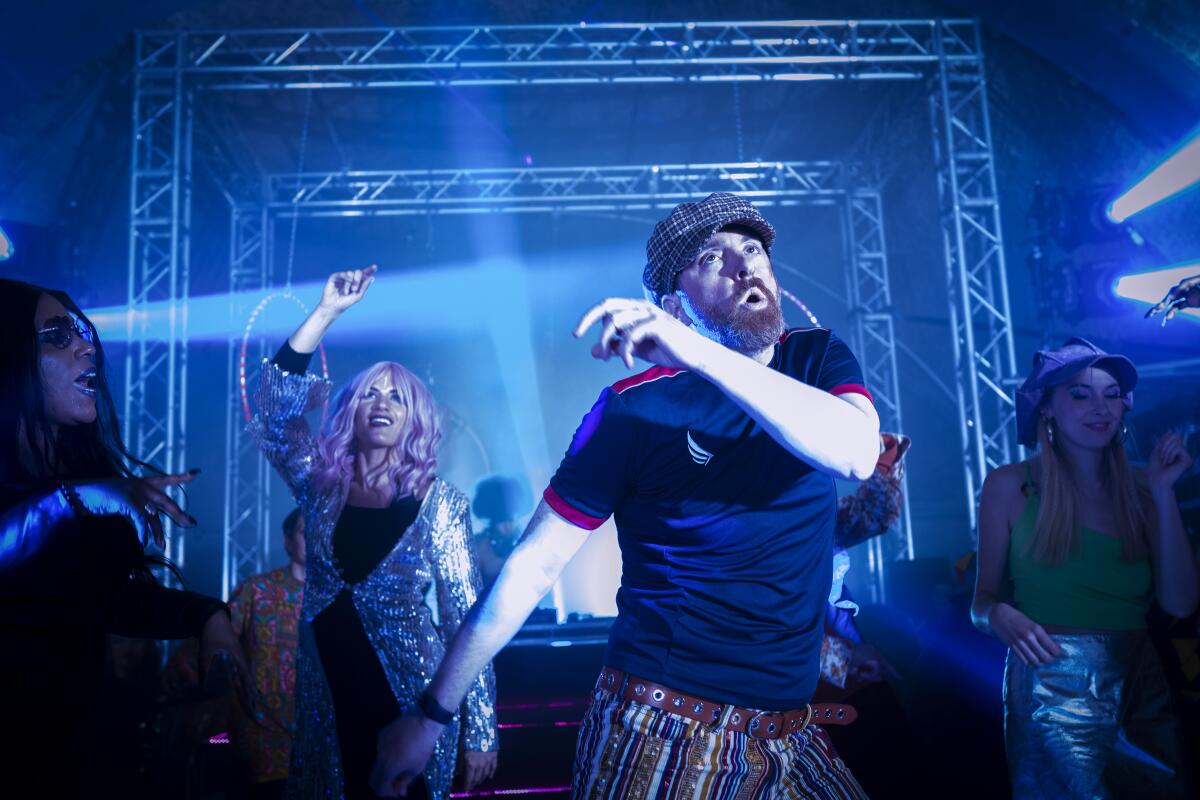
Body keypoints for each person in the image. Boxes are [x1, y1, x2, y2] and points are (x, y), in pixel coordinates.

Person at [371, 192, 880, 798]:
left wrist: (702, 353)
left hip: (788, 735)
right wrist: (431, 715)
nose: (744, 265)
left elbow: (855, 452)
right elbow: (533, 567)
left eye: (751, 249)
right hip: (667, 732)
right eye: (711, 259)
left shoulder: (815, 357)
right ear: (673, 305)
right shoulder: (634, 409)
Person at [249, 266, 497, 800]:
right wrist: (326, 313)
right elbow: (271, 410)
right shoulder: (318, 485)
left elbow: (466, 618)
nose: (382, 403)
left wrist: (479, 727)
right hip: (327, 694)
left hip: (411, 698)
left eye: (398, 398)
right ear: (349, 412)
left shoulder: (441, 503)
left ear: (416, 421)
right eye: (370, 395)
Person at [0, 278, 252, 795]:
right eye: (56, 336)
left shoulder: (71, 482)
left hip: (64, 758)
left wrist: (205, 616)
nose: (86, 345)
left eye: (83, 333)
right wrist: (78, 500)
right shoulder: (70, 496)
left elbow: (100, 603)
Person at [971, 336, 1198, 798]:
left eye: (1112, 394)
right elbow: (981, 602)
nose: (1101, 407)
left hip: (1141, 679)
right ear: (1047, 408)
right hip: (1053, 687)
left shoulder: (1143, 484)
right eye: (1081, 393)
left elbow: (1181, 601)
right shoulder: (1010, 486)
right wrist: (999, 615)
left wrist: (1162, 492)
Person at [227, 507, 307, 800]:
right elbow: (219, 640)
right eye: (303, 531)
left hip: (319, 742)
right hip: (264, 740)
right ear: (288, 541)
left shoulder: (338, 600)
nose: (313, 537)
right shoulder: (258, 590)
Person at [471, 474, 533, 588]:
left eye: (511, 520)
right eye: (501, 520)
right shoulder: (478, 546)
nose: (507, 526)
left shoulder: (527, 542)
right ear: (492, 521)